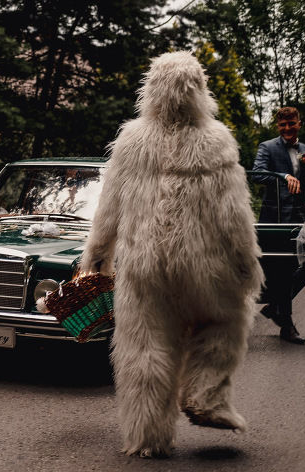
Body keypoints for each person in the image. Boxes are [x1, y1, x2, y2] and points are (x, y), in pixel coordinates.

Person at [79, 51, 263, 458]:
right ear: (200, 90)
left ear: (152, 89)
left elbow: (107, 210)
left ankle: (148, 438)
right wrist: (247, 266)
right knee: (226, 321)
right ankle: (205, 394)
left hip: (143, 267)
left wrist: (95, 260)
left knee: (143, 348)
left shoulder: (131, 140)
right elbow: (235, 216)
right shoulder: (216, 141)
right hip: (203, 265)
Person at [253, 106, 305, 345]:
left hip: (302, 218)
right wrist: (282, 176)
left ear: (298, 123)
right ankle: (287, 325)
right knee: (283, 269)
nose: (287, 128)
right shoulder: (267, 147)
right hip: (275, 218)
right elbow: (257, 174)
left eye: (291, 123)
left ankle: (275, 305)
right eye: (282, 125)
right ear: (278, 126)